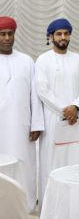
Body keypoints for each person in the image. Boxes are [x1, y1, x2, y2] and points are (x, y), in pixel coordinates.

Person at [35, 18, 79, 200]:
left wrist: (76, 106)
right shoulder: (43, 60)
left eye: (66, 33)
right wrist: (64, 110)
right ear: (51, 37)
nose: (63, 37)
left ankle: (78, 207)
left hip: (76, 120)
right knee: (53, 165)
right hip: (54, 121)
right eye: (58, 34)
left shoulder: (78, 59)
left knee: (77, 164)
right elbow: (43, 90)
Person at [0, 16, 44, 212]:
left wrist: (37, 124)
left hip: (21, 126)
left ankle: (26, 207)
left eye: (10, 34)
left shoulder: (26, 61)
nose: (7, 38)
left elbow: (35, 95)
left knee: (24, 166)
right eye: (2, 34)